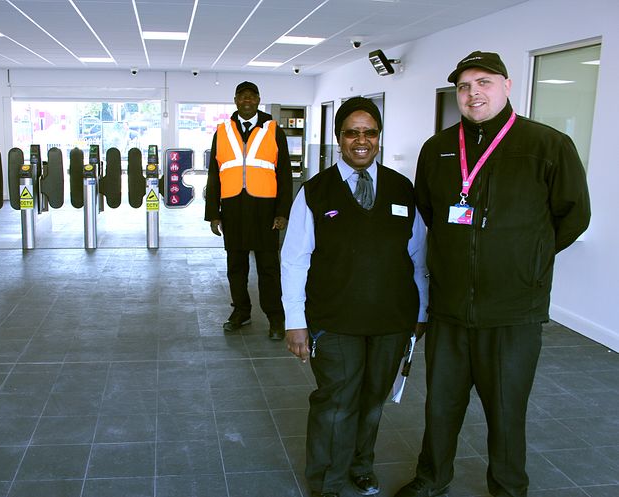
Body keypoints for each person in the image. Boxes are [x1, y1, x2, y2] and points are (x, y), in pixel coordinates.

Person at [394, 51, 591, 497]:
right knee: (441, 405)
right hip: (449, 306)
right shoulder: (438, 148)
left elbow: (573, 215)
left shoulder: (548, 145)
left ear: (506, 84)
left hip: (513, 309)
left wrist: (527, 259)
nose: (473, 93)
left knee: (506, 408)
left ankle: (507, 486)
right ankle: (431, 478)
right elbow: (428, 210)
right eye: (464, 87)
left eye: (483, 82)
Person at [281, 97, 429, 497]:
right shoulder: (315, 192)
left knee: (373, 400)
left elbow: (418, 257)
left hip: (391, 320)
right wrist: (295, 321)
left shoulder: (402, 189)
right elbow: (294, 260)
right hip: (335, 319)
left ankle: (361, 465)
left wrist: (422, 309)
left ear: (378, 138)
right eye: (352, 133)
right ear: (338, 138)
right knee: (336, 402)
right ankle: (327, 481)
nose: (361, 140)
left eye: (370, 132)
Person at [205, 81, 293, 340]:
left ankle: (276, 318)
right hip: (232, 208)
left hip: (265, 209)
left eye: (251, 96)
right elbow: (214, 175)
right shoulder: (222, 131)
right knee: (236, 266)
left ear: (258, 100)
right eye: (242, 96)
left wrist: (283, 211)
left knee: (268, 268)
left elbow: (284, 173)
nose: (246, 100)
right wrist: (213, 213)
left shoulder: (273, 129)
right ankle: (241, 311)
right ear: (235, 100)